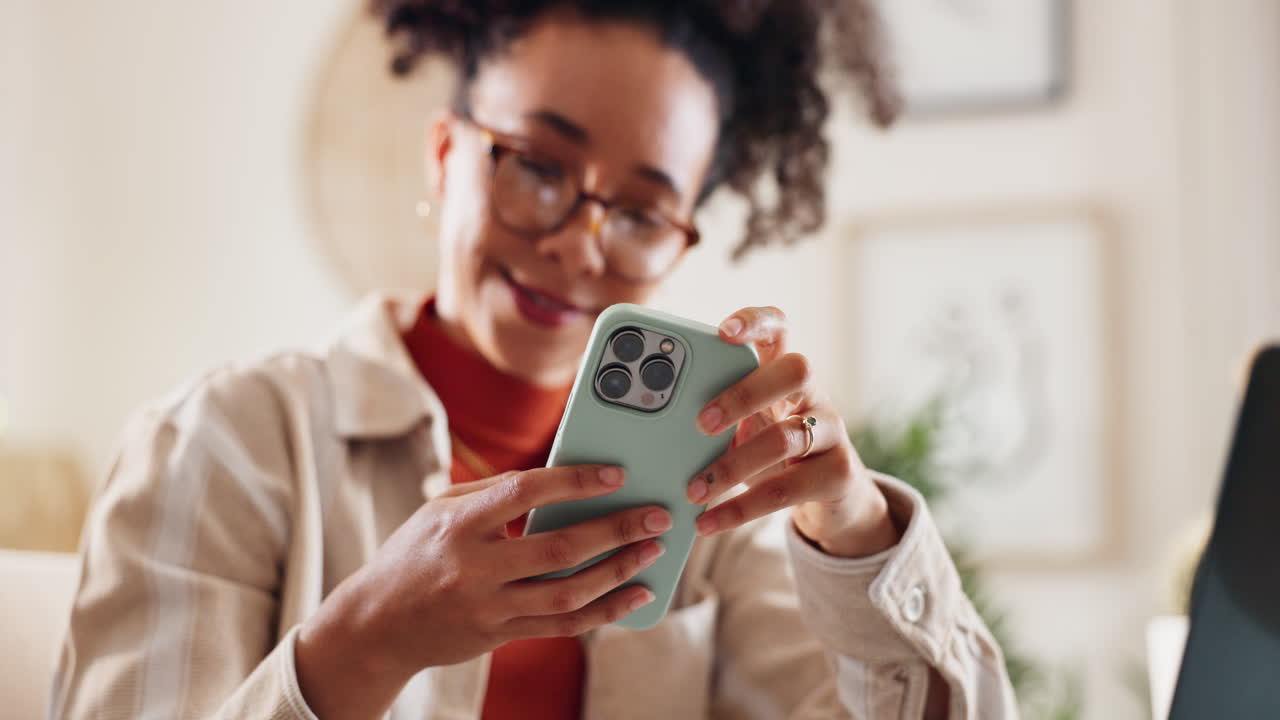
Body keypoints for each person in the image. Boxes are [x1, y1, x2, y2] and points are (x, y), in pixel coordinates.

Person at [51, 1, 1018, 718]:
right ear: (444, 158)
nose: (579, 246)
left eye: (640, 211)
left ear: (680, 239)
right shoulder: (225, 444)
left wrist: (855, 532)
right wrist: (365, 642)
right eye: (540, 167)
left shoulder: (707, 508)